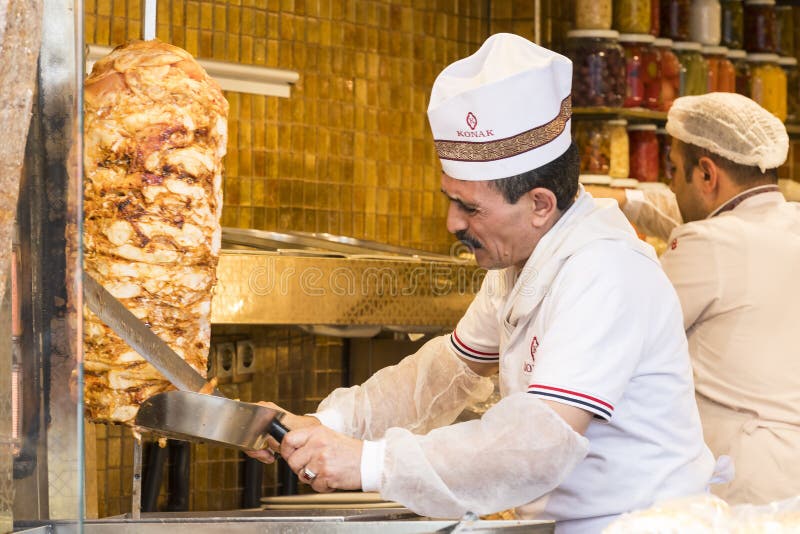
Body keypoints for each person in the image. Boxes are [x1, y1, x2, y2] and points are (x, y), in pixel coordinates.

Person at [249, 34, 714, 533]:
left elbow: (540, 442)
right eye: (451, 199)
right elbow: (444, 372)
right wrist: (327, 425)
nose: (452, 223)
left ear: (540, 205)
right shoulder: (520, 262)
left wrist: (369, 463)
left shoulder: (604, 271)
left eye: (470, 207)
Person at [589, 92, 800, 506]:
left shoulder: (708, 245)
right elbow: (696, 217)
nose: (670, 185)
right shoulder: (789, 221)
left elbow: (628, 334)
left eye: (672, 171)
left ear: (706, 173)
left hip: (743, 486)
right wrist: (625, 201)